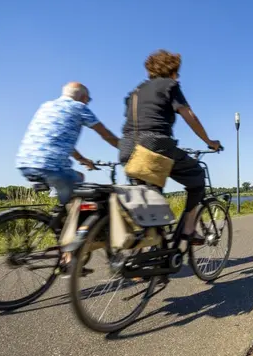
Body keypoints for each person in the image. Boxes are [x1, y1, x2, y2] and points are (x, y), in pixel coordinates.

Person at [119, 50, 222, 245]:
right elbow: (189, 115)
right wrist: (209, 142)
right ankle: (189, 229)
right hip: (154, 147)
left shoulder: (135, 93)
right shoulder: (170, 85)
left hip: (127, 149)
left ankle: (143, 259)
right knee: (197, 176)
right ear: (172, 70)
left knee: (151, 202)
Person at [16, 82, 120, 270]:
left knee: (73, 183)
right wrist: (125, 149)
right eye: (88, 100)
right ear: (84, 98)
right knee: (83, 187)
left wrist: (83, 159)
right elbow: (105, 134)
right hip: (52, 166)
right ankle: (69, 254)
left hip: (25, 162)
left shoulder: (46, 106)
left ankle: (60, 223)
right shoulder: (80, 107)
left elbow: (59, 139)